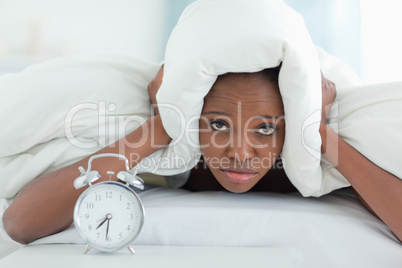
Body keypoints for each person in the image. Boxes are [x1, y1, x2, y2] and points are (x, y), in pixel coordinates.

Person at [2, 63, 402, 245]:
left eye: (265, 128)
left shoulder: (301, 155)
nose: (239, 153)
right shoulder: (183, 155)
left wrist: (319, 132)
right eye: (217, 124)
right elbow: (21, 223)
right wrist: (160, 127)